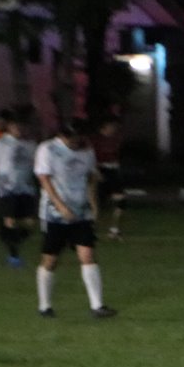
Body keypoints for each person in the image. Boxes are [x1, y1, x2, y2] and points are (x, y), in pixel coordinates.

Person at [33, 119, 117, 319]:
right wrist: (60, 206)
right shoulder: (48, 149)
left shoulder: (86, 150)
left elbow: (90, 178)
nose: (75, 140)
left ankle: (97, 306)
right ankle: (45, 305)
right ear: (62, 135)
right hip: (55, 214)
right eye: (70, 137)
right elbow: (44, 179)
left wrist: (93, 205)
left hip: (81, 212)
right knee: (51, 260)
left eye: (78, 136)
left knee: (88, 255)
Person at [0, 113, 38, 267]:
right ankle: (14, 257)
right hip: (6, 188)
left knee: (30, 224)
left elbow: (36, 166)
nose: (19, 129)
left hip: (26, 188)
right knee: (10, 220)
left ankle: (7, 237)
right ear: (10, 127)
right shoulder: (0, 142)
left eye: (22, 126)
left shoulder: (31, 144)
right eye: (16, 126)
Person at [89, 115, 127, 240]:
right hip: (100, 171)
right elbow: (91, 158)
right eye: (111, 126)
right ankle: (90, 230)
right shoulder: (96, 140)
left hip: (113, 171)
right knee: (97, 203)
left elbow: (116, 156)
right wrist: (96, 172)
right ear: (104, 127)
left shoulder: (115, 139)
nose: (114, 129)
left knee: (121, 199)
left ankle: (114, 229)